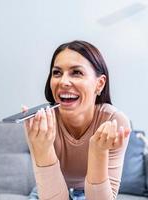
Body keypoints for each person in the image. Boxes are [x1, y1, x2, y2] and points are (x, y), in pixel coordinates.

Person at [23, 40, 131, 200]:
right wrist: (43, 150)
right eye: (57, 73)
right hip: (47, 191)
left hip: (89, 192)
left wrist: (98, 152)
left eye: (76, 72)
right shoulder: (40, 122)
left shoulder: (114, 121)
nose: (63, 82)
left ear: (99, 84)